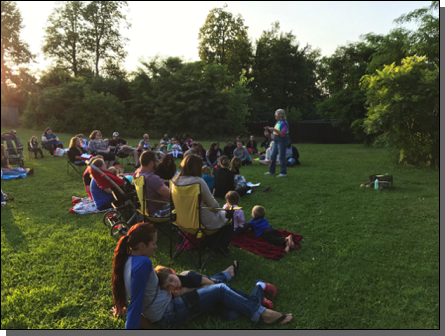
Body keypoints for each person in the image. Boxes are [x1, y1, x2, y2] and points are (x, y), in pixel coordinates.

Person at [111, 222, 292, 329]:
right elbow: (135, 304)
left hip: (170, 301)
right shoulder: (143, 264)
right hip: (170, 312)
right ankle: (261, 311)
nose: (156, 247)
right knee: (219, 290)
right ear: (141, 245)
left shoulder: (128, 259)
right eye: (153, 244)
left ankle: (229, 279)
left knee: (230, 313)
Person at [135, 151, 171, 218]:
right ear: (151, 163)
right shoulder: (152, 178)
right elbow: (172, 196)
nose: (158, 163)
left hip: (147, 210)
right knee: (182, 201)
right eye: (157, 161)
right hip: (158, 212)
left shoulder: (138, 174)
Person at [264, 109, 290, 177]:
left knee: (282, 156)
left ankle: (283, 173)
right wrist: (271, 129)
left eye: (276, 114)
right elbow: (275, 131)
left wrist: (274, 130)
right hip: (275, 141)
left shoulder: (284, 123)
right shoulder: (277, 122)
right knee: (272, 155)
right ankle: (271, 171)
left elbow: (283, 134)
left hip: (282, 141)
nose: (275, 115)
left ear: (280, 115)